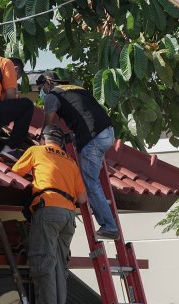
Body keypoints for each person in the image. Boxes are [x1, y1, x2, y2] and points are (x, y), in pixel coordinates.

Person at [11, 124, 87, 304]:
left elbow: (14, 173)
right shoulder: (71, 162)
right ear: (60, 143)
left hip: (48, 210)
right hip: (69, 216)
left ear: (42, 140)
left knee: (43, 264)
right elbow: (82, 197)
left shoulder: (36, 151)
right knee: (59, 268)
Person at [36, 71, 119, 240]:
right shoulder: (76, 89)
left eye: (40, 87)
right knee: (91, 176)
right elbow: (85, 115)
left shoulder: (52, 96)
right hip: (107, 132)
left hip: (94, 138)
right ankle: (109, 224)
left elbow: (48, 125)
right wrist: (72, 137)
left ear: (47, 83)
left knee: (90, 183)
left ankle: (109, 227)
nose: (41, 91)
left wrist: (42, 141)